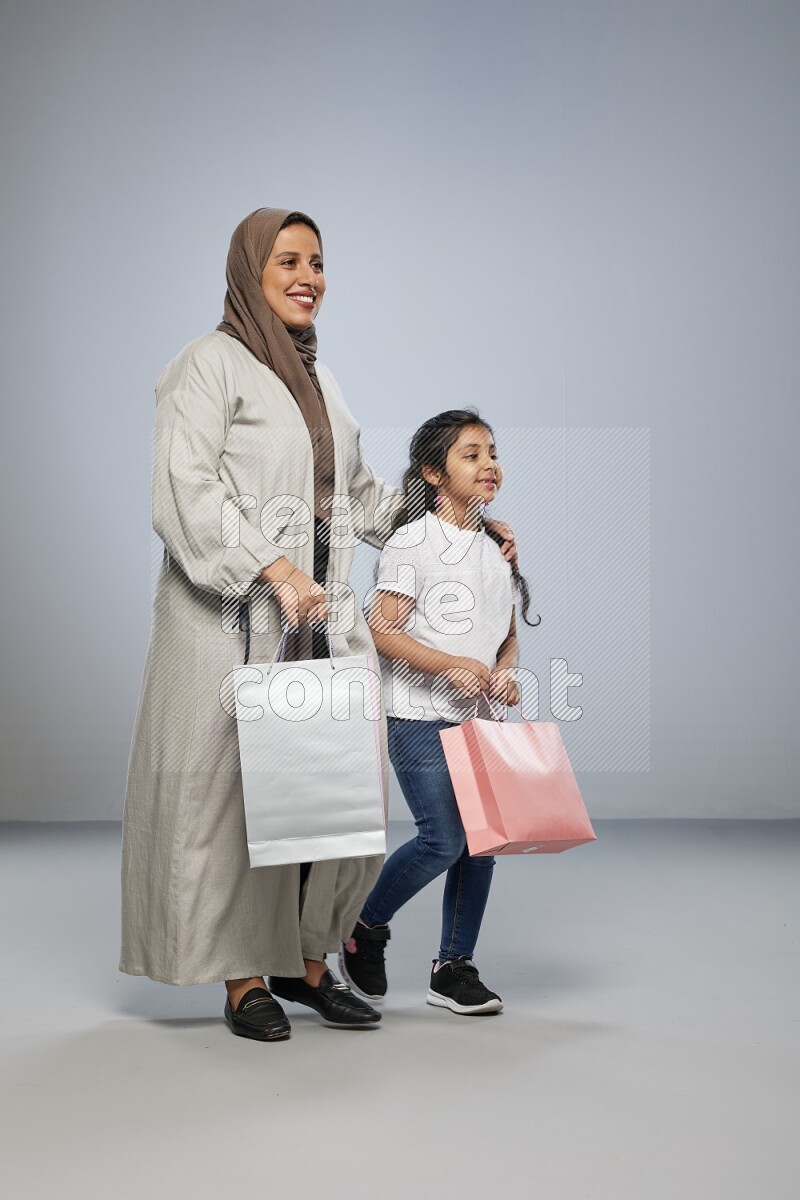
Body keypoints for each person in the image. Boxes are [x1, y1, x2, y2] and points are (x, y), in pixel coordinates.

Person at [120, 211, 518, 1042]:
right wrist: (273, 567)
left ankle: (307, 969)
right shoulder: (205, 368)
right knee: (229, 804)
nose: (309, 276)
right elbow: (185, 495)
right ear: (249, 272)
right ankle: (241, 981)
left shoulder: (322, 382)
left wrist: (462, 512)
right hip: (231, 623)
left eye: (319, 262)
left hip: (321, 626)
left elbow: (366, 497)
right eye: (289, 260)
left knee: (331, 799)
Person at [338, 410, 540, 1015]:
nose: (489, 465)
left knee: (481, 845)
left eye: (492, 453)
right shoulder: (410, 542)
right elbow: (383, 630)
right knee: (443, 839)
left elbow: (506, 636)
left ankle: (454, 967)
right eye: (470, 455)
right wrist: (447, 664)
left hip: (479, 719)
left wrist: (503, 668)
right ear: (433, 472)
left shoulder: (495, 548)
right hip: (417, 715)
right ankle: (366, 928)